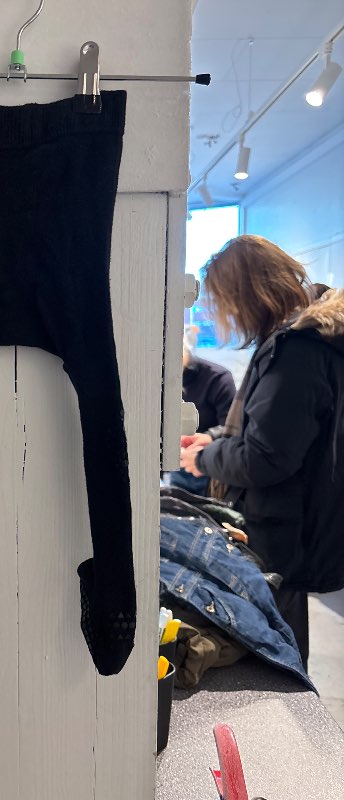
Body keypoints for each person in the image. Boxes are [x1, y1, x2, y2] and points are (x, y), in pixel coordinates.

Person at [180, 235, 344, 666]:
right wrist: (215, 440)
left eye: (224, 304)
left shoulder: (296, 352)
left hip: (286, 533)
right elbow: (271, 428)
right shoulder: (307, 341)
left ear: (248, 294)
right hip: (296, 524)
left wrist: (202, 459)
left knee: (276, 651)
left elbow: (266, 458)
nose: (225, 317)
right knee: (281, 638)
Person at [166, 333, 236, 495]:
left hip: (211, 467)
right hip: (177, 464)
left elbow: (233, 426)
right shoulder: (156, 381)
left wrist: (208, 437)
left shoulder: (218, 378)